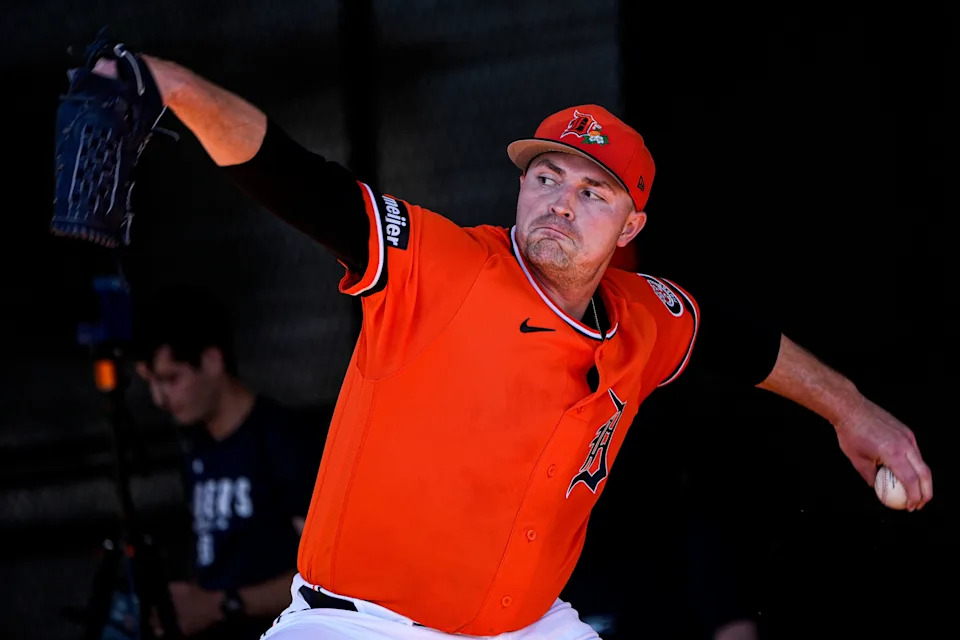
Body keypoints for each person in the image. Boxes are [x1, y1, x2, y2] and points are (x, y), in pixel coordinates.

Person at [90, 45, 932, 640]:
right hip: (366, 628)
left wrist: (852, 412)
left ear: (631, 225)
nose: (560, 202)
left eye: (592, 190)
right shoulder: (446, 265)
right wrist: (169, 85)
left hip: (525, 628)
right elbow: (295, 178)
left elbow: (736, 340)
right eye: (545, 177)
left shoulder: (645, 314)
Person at [130, 285, 324, 639]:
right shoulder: (198, 452)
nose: (159, 398)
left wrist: (222, 603)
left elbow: (324, 582)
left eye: (171, 379)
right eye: (152, 383)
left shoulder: (283, 441)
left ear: (212, 361)